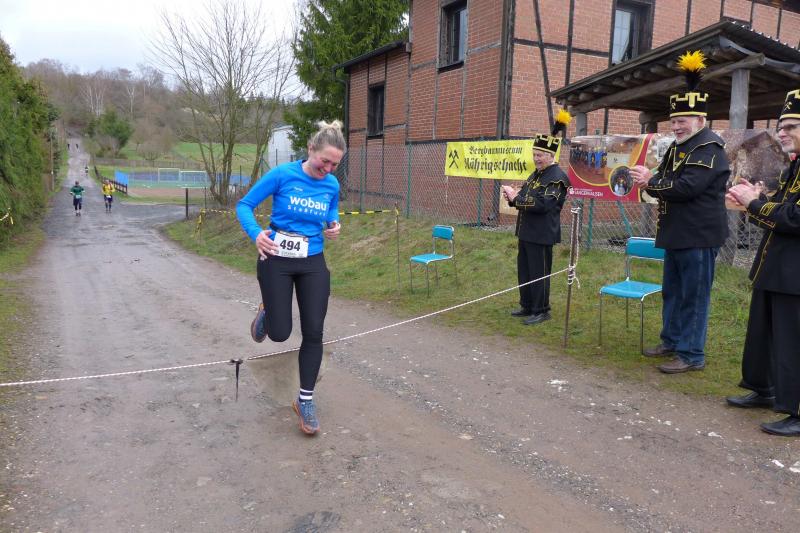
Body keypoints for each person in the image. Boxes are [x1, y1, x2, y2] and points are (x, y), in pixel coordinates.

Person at [236, 120, 344, 436]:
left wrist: (333, 224)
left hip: (312, 260)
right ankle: (268, 311)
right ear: (310, 149)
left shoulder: (331, 184)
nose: (328, 169)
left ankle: (305, 400)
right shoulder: (283, 175)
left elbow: (331, 210)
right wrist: (256, 234)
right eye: (325, 161)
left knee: (314, 332)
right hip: (276, 259)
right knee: (281, 334)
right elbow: (244, 205)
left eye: (335, 164)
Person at [630, 50, 730, 374]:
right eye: (673, 121)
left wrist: (651, 182)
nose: (676, 126)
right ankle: (671, 341)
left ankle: (691, 354)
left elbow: (687, 188)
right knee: (673, 292)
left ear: (700, 120)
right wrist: (649, 179)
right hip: (677, 233)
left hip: (698, 236)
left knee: (693, 296)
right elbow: (663, 180)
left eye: (682, 121)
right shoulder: (678, 148)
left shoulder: (708, 148)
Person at [724, 89, 800, 436]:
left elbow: (794, 218)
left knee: (792, 343)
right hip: (775, 267)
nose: (781, 132)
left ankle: (796, 409)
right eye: (781, 126)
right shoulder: (794, 166)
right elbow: (777, 213)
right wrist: (751, 201)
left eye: (790, 126)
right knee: (763, 336)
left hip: (795, 274)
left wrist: (754, 203)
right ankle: (763, 388)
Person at [501, 109, 571, 326]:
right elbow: (524, 196)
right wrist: (512, 197)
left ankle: (541, 310)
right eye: (534, 155)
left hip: (541, 234)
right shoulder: (535, 175)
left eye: (540, 155)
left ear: (551, 156)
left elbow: (543, 204)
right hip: (526, 231)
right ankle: (527, 305)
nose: (536, 159)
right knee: (525, 271)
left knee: (539, 273)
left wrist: (517, 199)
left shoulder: (558, 178)